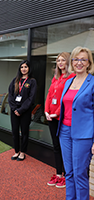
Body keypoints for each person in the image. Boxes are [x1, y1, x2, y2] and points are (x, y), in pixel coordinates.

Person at [57, 46, 94, 200]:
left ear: (88, 63)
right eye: (76, 59)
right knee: (69, 172)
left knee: (80, 174)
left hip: (83, 134)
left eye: (83, 59)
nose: (79, 62)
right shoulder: (68, 81)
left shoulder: (92, 82)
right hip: (65, 132)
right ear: (72, 61)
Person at [45, 52, 75, 188]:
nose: (60, 63)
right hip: (51, 116)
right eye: (58, 61)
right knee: (56, 147)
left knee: (65, 148)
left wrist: (55, 114)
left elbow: (66, 99)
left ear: (68, 62)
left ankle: (66, 176)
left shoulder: (72, 77)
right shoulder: (56, 77)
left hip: (62, 117)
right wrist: (46, 111)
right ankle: (58, 174)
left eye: (63, 60)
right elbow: (50, 96)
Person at [8, 60, 37, 161]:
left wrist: (21, 109)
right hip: (14, 111)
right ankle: (16, 151)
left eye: (25, 67)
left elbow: (31, 98)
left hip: (25, 111)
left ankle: (23, 152)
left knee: (24, 132)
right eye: (21, 67)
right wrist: (15, 109)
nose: (23, 69)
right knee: (15, 131)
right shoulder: (15, 80)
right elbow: (10, 96)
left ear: (29, 68)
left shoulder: (32, 81)